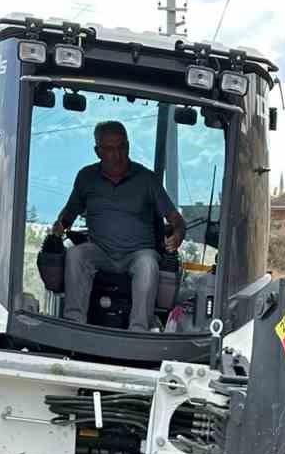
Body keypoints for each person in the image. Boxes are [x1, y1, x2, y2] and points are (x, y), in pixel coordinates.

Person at [52, 120, 186, 330]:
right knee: (76, 254)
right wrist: (60, 225)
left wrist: (178, 234)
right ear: (98, 151)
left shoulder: (146, 179)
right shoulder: (86, 177)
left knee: (148, 264)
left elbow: (175, 219)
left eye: (122, 147)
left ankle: (139, 331)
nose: (117, 155)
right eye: (109, 149)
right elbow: (68, 214)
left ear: (128, 146)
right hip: (100, 251)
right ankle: (73, 324)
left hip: (138, 253)